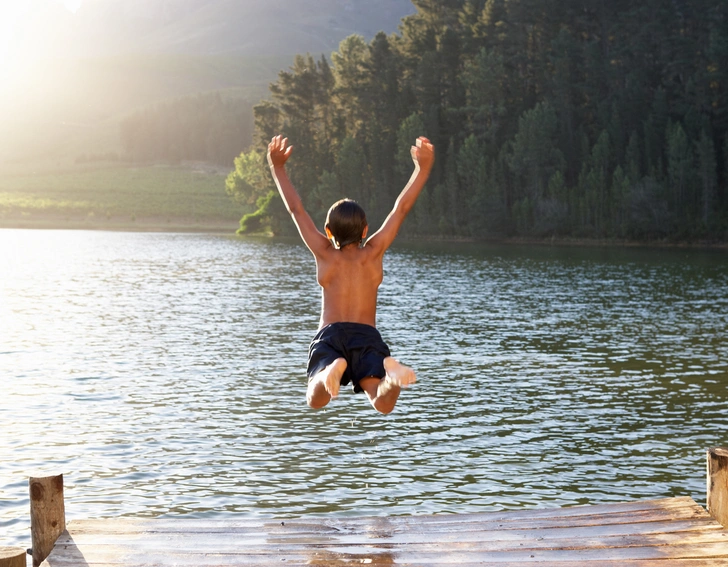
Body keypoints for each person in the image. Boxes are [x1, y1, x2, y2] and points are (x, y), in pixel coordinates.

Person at [267, 134, 435, 414]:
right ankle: (391, 379)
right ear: (366, 231)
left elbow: (296, 209)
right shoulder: (373, 252)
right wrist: (423, 168)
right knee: (381, 403)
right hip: (367, 336)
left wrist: (278, 167)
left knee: (316, 398)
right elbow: (401, 208)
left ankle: (329, 370)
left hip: (331, 335)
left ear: (329, 232)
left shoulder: (324, 253)